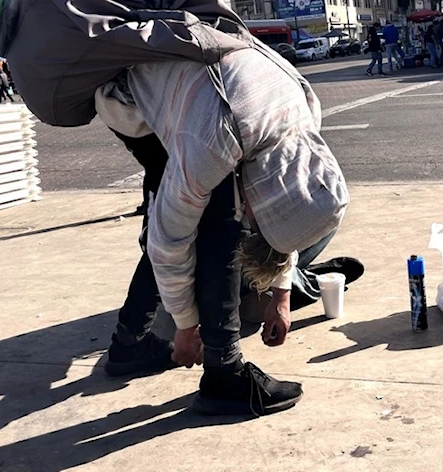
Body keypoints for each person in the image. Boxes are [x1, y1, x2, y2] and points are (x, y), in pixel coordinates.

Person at [92, 42, 354, 416]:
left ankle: (129, 345)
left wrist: (281, 296)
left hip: (202, 94)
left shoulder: (303, 118)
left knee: (216, 213)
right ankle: (223, 375)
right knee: (218, 223)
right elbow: (168, 240)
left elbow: (294, 203)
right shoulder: (212, 144)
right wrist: (186, 327)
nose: (252, 215)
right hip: (133, 102)